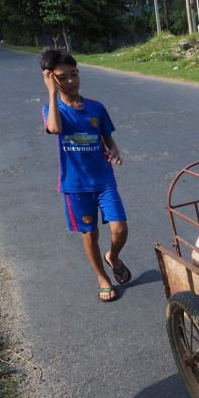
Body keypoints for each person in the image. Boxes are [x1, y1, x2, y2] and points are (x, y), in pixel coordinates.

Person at [40, 49, 131, 302]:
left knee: (120, 229)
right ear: (51, 78)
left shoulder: (96, 107)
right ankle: (103, 277)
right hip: (76, 185)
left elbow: (106, 134)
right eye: (62, 77)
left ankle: (112, 256)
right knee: (90, 234)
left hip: (104, 180)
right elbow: (55, 129)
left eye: (74, 74)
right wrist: (52, 92)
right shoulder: (52, 110)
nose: (71, 81)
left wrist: (112, 146)